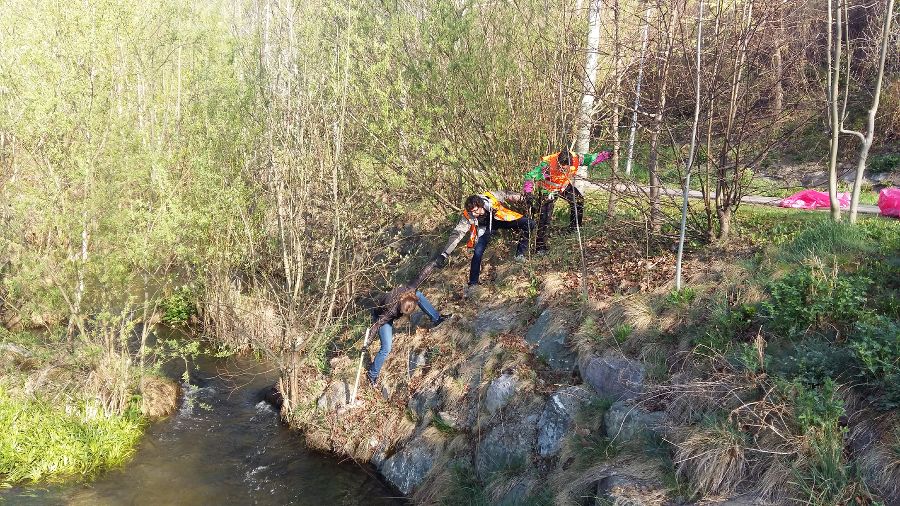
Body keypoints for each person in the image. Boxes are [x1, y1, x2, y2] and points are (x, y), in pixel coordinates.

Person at [436, 191, 534, 294]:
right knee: (477, 253)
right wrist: (444, 254)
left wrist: (524, 198)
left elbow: (507, 195)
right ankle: (473, 283)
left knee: (529, 224)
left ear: (481, 205)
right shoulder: (468, 215)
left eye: (475, 211)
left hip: (500, 218)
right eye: (471, 212)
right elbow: (457, 234)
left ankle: (520, 255)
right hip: (485, 229)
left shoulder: (490, 198)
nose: (473, 214)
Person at [366, 263, 448, 386]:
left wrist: (437, 262)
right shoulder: (390, 309)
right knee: (386, 348)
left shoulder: (410, 290)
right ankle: (372, 374)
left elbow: (423, 274)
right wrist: (367, 343)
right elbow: (377, 325)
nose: (402, 314)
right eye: (402, 312)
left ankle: (436, 319)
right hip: (381, 316)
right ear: (400, 304)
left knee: (419, 294)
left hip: (400, 303)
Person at [523, 147, 610, 253]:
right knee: (545, 218)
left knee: (578, 200)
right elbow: (530, 176)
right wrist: (528, 192)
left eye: (566, 168)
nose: (563, 170)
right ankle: (540, 247)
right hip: (548, 190)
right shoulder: (547, 164)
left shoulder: (577, 158)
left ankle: (574, 228)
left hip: (564, 186)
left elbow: (592, 158)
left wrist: (608, 155)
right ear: (558, 162)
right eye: (562, 168)